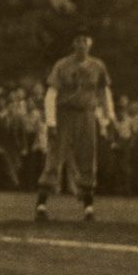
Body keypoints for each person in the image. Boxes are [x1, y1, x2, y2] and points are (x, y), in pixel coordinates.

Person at [35, 28, 116, 221]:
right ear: (73, 44)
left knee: (88, 156)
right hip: (65, 114)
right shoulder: (62, 65)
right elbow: (51, 94)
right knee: (55, 156)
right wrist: (51, 121)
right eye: (78, 40)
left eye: (84, 40)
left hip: (87, 114)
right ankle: (41, 204)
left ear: (90, 43)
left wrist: (110, 117)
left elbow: (105, 93)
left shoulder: (98, 66)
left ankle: (88, 207)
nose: (81, 44)